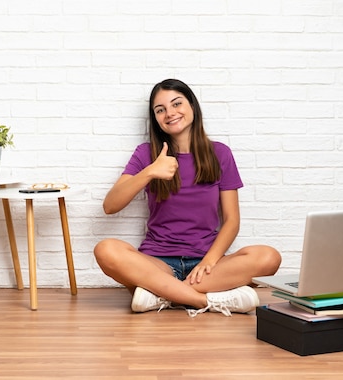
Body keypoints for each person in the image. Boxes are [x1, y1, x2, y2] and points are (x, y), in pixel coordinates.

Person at [94, 79, 281, 317]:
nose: (169, 113)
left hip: (208, 264)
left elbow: (232, 220)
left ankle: (163, 296)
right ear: (155, 119)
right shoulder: (146, 154)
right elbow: (110, 205)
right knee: (106, 249)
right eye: (160, 110)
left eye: (176, 104)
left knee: (268, 257)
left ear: (192, 105)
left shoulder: (220, 153)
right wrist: (150, 171)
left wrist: (209, 261)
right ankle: (207, 301)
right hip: (158, 263)